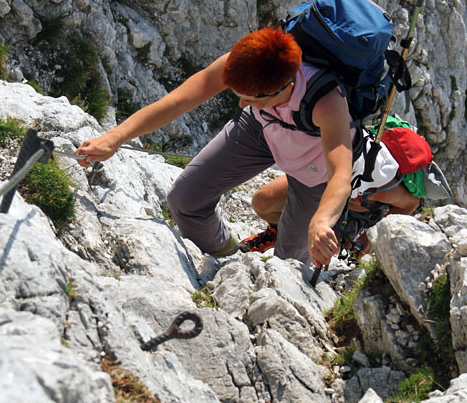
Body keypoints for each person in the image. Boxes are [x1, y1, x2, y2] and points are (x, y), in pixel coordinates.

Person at [75, 27, 355, 270]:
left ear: (285, 87)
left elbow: (341, 175)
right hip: (261, 128)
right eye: (239, 96)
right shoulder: (246, 64)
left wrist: (321, 221)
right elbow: (177, 102)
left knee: (291, 262)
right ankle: (223, 256)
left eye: (251, 99)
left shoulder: (326, 103)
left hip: (313, 166)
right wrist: (114, 138)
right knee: (186, 199)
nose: (243, 105)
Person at [239, 126, 421, 258]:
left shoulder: (380, 187)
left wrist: (371, 237)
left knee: (319, 242)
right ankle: (277, 231)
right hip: (318, 178)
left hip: (351, 216)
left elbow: (411, 203)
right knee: (263, 202)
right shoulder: (327, 150)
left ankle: (299, 238)